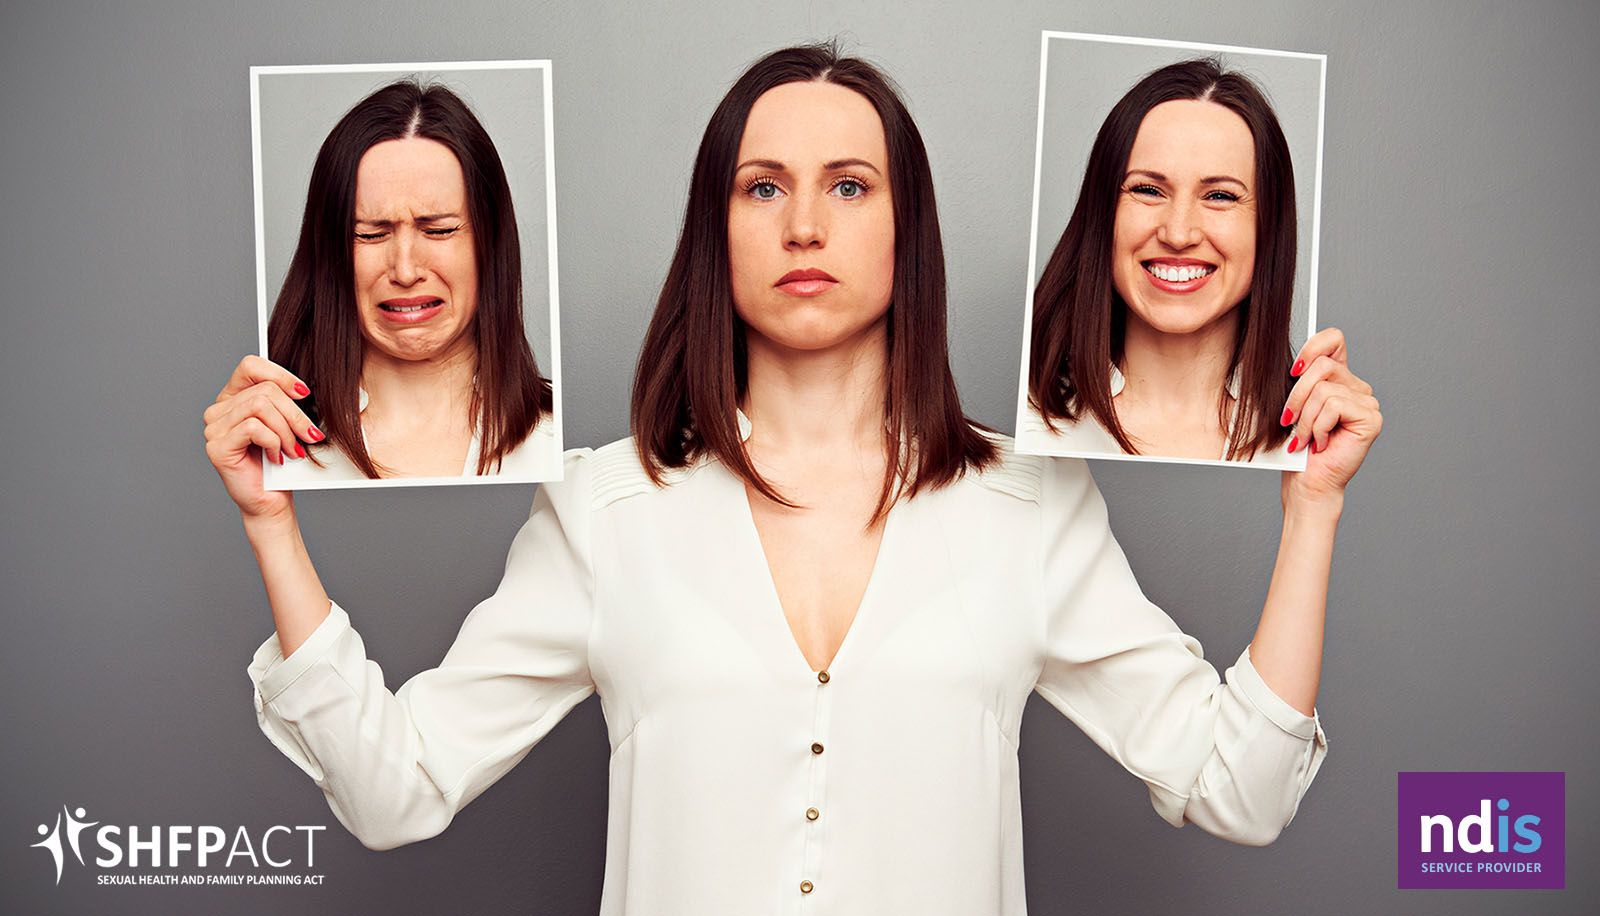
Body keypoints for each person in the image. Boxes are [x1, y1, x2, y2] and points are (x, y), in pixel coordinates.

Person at [205, 44, 1382, 913]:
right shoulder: (601, 511)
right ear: (716, 230)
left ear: (902, 228)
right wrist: (275, 532)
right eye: (763, 187)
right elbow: (393, 792)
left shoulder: (1031, 507)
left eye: (849, 186)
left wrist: (1311, 510)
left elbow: (1243, 792)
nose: (805, 223)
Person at [263, 78, 556, 484]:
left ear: (491, 245)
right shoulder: (273, 445)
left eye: (438, 231)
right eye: (370, 234)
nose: (404, 271)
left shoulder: (558, 442)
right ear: (330, 254)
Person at [1022, 58, 1307, 466]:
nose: (1178, 233)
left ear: (1270, 229)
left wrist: (1317, 499)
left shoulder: (1305, 441)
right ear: (1102, 213)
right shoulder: (1029, 425)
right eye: (1149, 190)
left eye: (1220, 196)